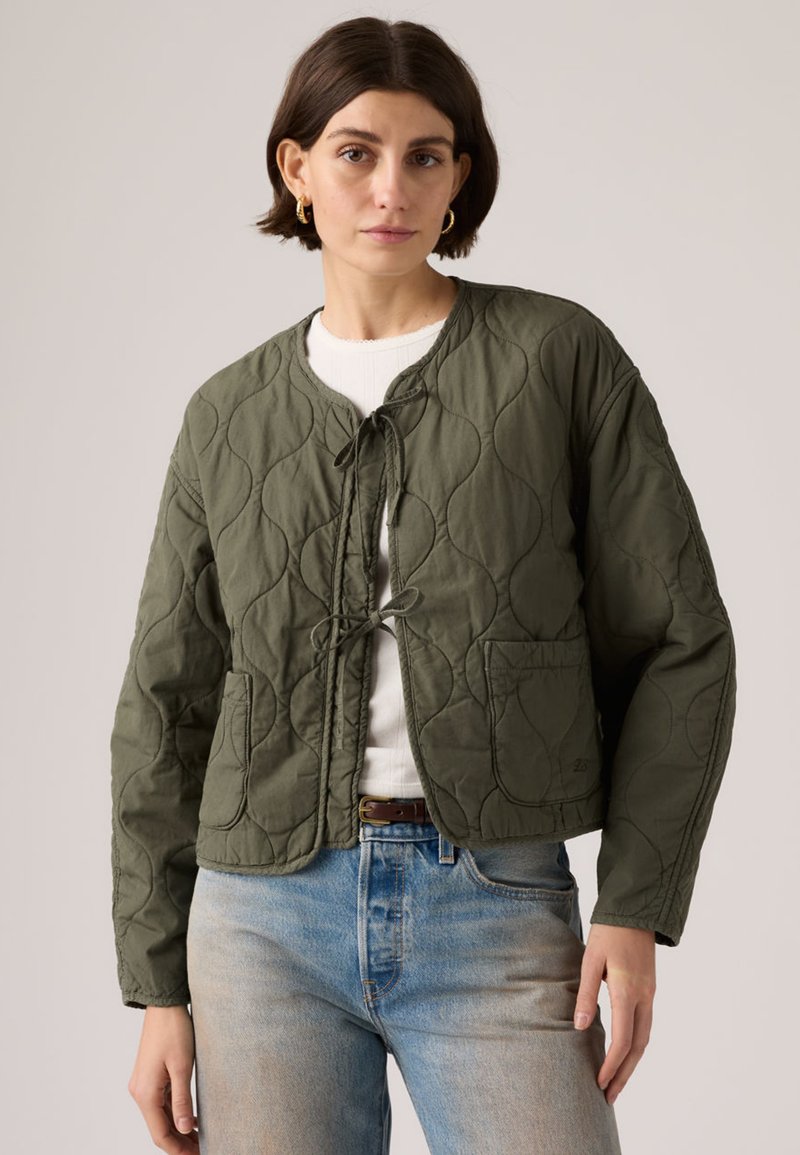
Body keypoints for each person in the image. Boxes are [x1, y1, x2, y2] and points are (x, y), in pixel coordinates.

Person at [110, 16, 737, 1155]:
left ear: (458, 178)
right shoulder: (227, 415)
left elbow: (678, 639)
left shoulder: (556, 358)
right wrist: (158, 987)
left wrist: (635, 904)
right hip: (258, 927)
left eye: (425, 155)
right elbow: (166, 702)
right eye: (355, 152)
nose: (390, 188)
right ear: (297, 170)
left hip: (494, 905)